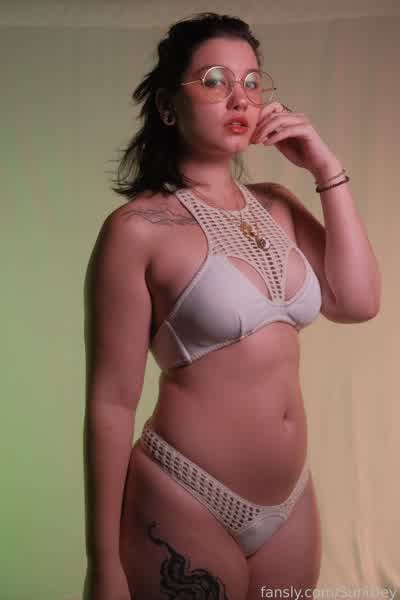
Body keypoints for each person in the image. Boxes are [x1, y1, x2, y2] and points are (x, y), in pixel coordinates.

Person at [83, 12, 381, 600]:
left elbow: (358, 302)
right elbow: (111, 403)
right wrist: (103, 563)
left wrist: (325, 168)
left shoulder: (278, 205)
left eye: (250, 81)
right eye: (214, 80)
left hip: (290, 504)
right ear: (168, 107)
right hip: (183, 494)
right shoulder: (136, 230)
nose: (239, 97)